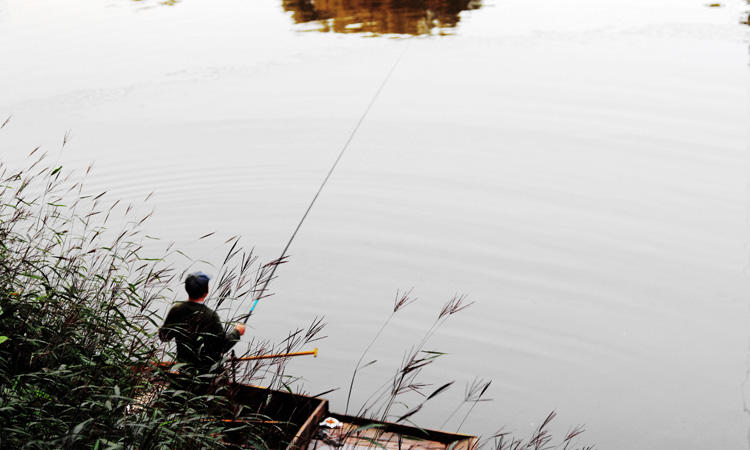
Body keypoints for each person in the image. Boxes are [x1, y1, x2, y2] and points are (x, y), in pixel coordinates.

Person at [159, 272, 246, 375]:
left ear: (187, 289)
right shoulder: (211, 316)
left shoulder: (176, 309)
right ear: (206, 292)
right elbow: (222, 346)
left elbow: (164, 337)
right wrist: (237, 332)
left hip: (184, 369)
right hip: (206, 372)